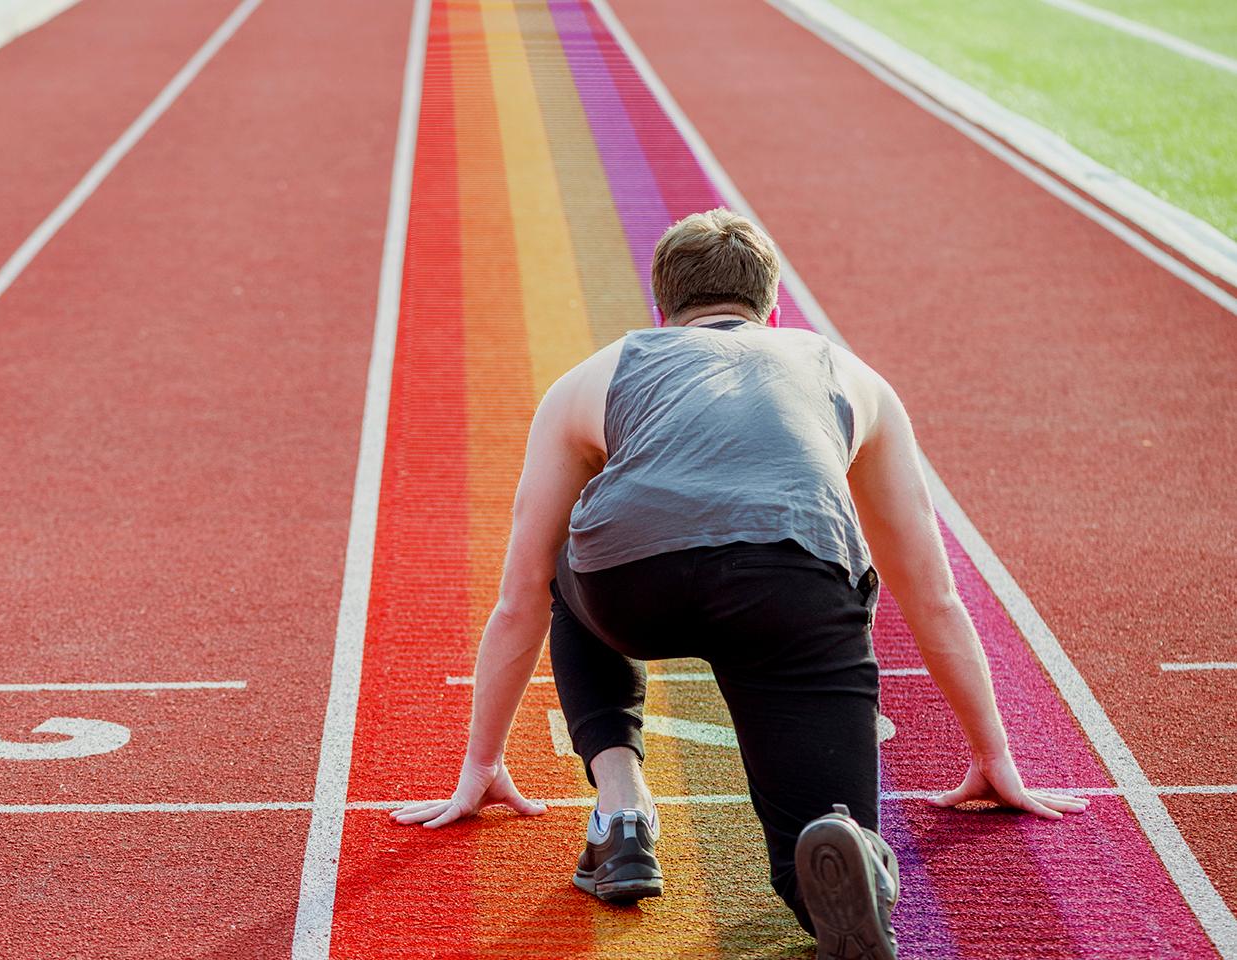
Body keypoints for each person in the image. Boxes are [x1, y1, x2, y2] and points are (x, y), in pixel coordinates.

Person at [389, 209, 1088, 959]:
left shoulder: (595, 374)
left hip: (631, 585)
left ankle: (621, 811)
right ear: (773, 308)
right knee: (820, 851)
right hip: (791, 588)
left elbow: (519, 593)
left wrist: (480, 765)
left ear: (661, 310)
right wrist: (993, 753)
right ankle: (840, 872)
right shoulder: (848, 373)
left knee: (563, 566)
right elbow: (933, 594)